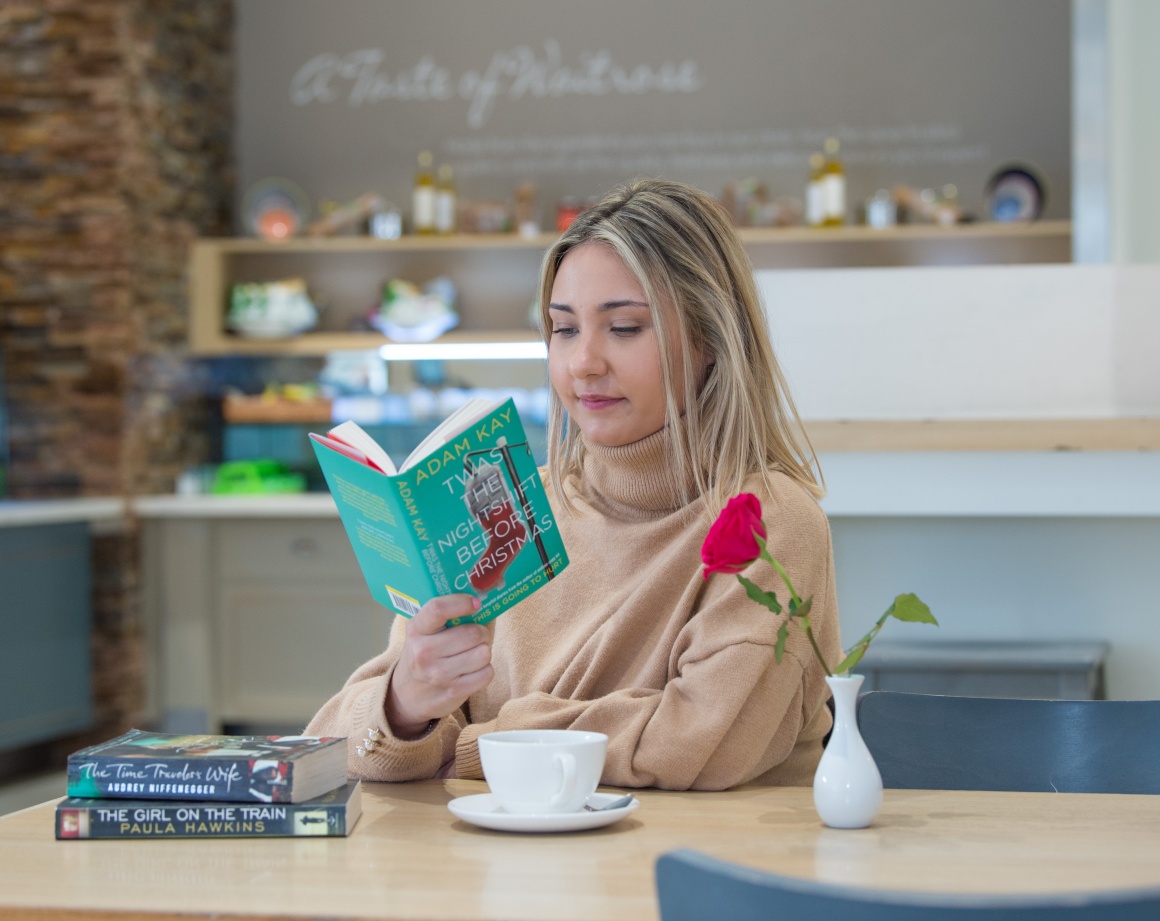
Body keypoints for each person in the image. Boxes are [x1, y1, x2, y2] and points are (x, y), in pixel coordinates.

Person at [306, 178, 842, 790]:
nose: (583, 362)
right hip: (496, 874)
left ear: (710, 340)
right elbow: (340, 742)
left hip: (697, 874)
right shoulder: (511, 507)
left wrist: (479, 746)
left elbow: (702, 742)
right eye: (563, 329)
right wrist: (404, 707)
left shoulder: (769, 520)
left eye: (625, 328)